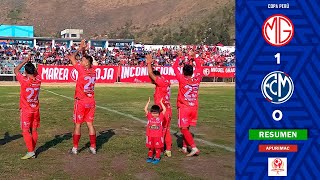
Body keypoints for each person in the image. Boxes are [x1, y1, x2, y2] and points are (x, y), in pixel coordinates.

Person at [68, 39, 97, 155]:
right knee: (90, 124)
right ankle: (93, 147)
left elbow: (71, 58)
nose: (81, 60)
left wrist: (79, 49)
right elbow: (87, 58)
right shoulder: (93, 71)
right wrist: (84, 49)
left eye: (83, 60)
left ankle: (75, 148)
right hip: (91, 101)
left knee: (78, 124)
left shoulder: (81, 69)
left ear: (86, 64)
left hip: (81, 101)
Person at [172, 51, 203, 157]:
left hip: (184, 107)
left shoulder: (182, 79)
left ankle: (194, 148)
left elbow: (174, 67)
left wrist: (178, 57)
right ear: (192, 72)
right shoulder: (197, 78)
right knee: (187, 127)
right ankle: (185, 147)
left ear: (183, 71)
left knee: (183, 128)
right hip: (194, 107)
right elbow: (200, 68)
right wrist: (194, 59)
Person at [14, 54, 41, 159]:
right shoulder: (38, 80)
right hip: (36, 109)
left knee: (25, 130)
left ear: (25, 72)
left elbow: (16, 70)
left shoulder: (24, 81)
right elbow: (36, 73)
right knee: (34, 130)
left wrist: (25, 61)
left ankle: (30, 152)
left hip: (26, 110)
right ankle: (32, 150)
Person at [146, 54, 172, 157]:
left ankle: (159, 149)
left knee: (159, 130)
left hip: (162, 111)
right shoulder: (165, 81)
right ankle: (167, 150)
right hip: (167, 109)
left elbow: (151, 73)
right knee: (166, 130)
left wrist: (148, 63)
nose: (151, 81)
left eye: (152, 80)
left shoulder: (160, 81)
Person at [145, 97, 166, 165]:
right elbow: (145, 109)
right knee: (150, 148)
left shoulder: (160, 117)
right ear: (151, 113)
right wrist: (148, 102)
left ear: (159, 113)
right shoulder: (150, 117)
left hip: (158, 136)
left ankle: (157, 158)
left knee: (157, 148)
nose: (155, 114)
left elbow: (164, 109)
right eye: (153, 113)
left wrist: (161, 102)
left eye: (156, 113)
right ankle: (150, 157)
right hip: (150, 135)